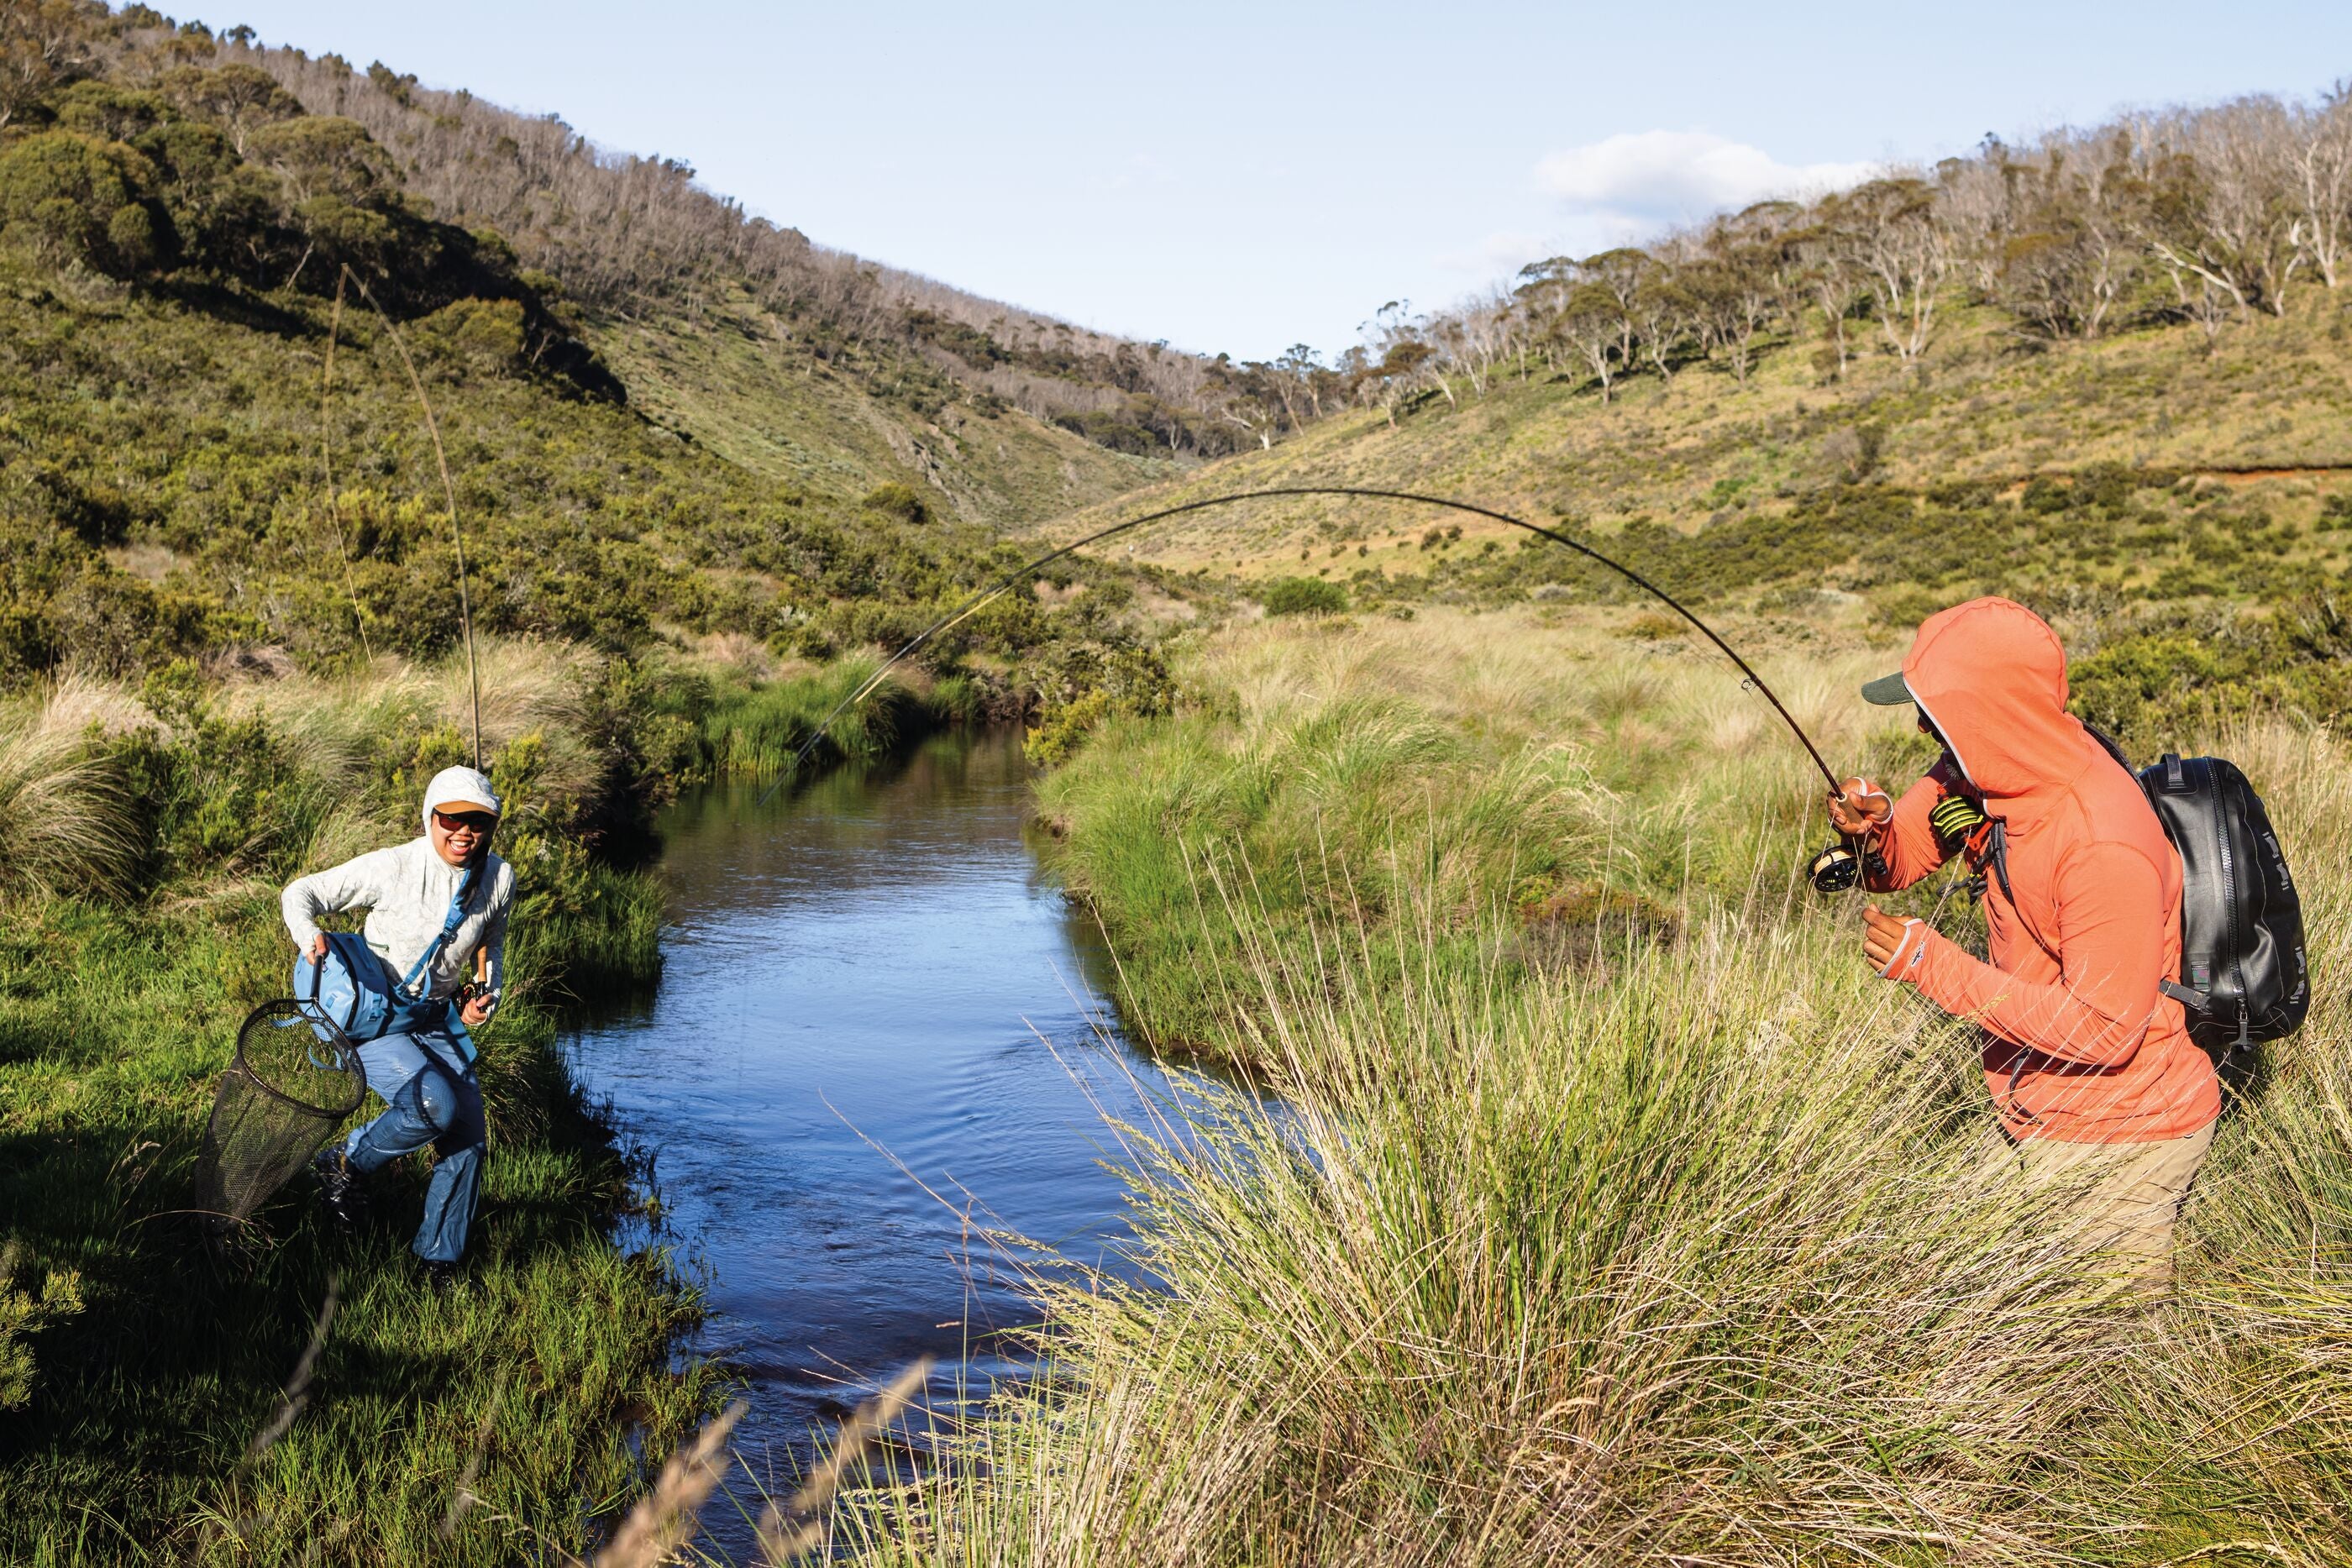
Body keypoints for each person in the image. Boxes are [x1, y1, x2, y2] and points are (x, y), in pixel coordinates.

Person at [1827, 596, 2218, 1289]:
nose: (1921, 725)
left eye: (1934, 710)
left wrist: (1931, 964)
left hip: (2123, 1136)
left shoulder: (2101, 840)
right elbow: (1901, 859)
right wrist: (1875, 830)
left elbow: (2104, 1030)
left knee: (2105, 1363)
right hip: (2038, 1108)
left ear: (1989, 712)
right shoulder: (1982, 769)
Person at [281, 765, 515, 1288]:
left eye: (477, 822)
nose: (464, 832)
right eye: (451, 818)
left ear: (491, 827)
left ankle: (438, 1262)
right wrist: (308, 936)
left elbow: (490, 945)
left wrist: (487, 993)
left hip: (437, 1019)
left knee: (468, 1137)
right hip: (377, 1021)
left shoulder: (499, 878)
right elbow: (301, 894)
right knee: (435, 1105)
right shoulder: (394, 867)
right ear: (430, 817)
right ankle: (345, 1161)